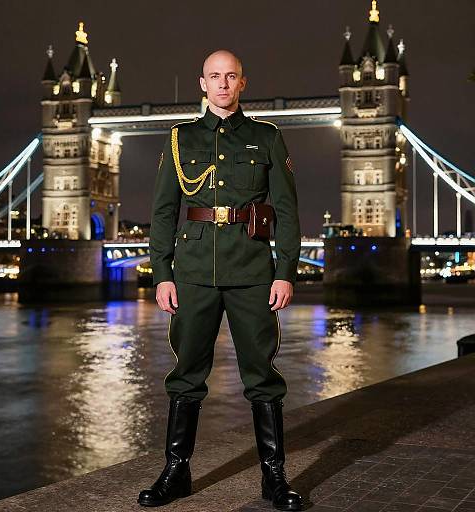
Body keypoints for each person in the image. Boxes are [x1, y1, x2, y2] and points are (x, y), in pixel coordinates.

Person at [138, 49, 303, 511]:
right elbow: (163, 213)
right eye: (215, 76)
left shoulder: (267, 137)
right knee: (186, 375)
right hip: (192, 275)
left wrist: (285, 271)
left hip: (252, 272)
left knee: (262, 376)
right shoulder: (179, 138)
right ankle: (176, 471)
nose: (223, 84)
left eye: (231, 76)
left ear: (243, 83)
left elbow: (287, 211)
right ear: (202, 84)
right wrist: (162, 274)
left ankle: (274, 477)